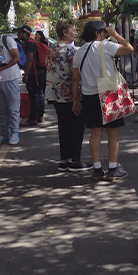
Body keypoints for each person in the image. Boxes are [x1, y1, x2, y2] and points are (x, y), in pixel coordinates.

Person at [71, 20, 134, 181]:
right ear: (98, 33)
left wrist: (76, 100)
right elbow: (129, 48)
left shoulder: (79, 52)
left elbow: (75, 79)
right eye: (104, 32)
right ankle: (113, 169)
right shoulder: (106, 46)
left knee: (95, 133)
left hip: (89, 95)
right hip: (109, 93)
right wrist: (115, 35)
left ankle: (97, 169)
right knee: (113, 133)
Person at [46, 19, 89, 172]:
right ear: (65, 32)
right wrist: (77, 98)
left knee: (64, 127)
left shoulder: (52, 48)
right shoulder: (71, 51)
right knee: (77, 126)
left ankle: (64, 160)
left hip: (56, 93)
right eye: (73, 30)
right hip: (72, 93)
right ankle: (75, 160)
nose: (76, 33)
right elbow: (76, 75)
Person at [17, 25, 46, 127]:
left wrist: (26, 74)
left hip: (34, 73)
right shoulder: (33, 43)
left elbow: (29, 60)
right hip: (41, 72)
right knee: (40, 94)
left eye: (20, 32)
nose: (18, 34)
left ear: (25, 33)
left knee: (34, 95)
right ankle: (40, 116)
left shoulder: (28, 44)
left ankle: (33, 118)